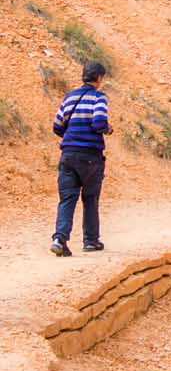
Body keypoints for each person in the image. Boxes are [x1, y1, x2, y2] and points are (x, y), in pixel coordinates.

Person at [51, 61, 110, 256]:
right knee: (90, 198)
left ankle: (60, 239)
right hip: (91, 156)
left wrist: (72, 137)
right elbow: (99, 122)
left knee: (67, 198)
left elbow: (57, 126)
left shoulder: (70, 97)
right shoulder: (99, 98)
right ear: (99, 78)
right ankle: (91, 241)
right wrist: (108, 129)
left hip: (68, 155)